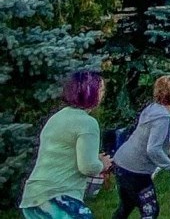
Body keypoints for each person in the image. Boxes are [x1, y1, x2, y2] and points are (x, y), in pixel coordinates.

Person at [18, 71, 110, 219]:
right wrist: (102, 164)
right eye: (101, 90)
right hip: (58, 196)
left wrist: (94, 157)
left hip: (32, 198)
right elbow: (87, 167)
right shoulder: (87, 122)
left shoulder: (56, 118)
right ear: (91, 92)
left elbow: (62, 152)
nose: (103, 94)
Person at [112, 75, 170, 219]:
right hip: (135, 170)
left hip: (122, 163)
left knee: (126, 206)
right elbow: (153, 149)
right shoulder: (162, 118)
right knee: (150, 211)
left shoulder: (153, 108)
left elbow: (150, 135)